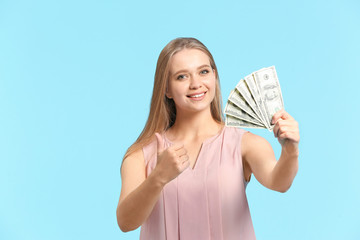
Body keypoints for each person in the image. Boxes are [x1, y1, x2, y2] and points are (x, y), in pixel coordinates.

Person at [116, 37, 300, 240]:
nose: (196, 84)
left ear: (214, 76)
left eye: (203, 72)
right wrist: (158, 178)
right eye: (181, 77)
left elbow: (279, 182)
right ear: (166, 89)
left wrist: (290, 150)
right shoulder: (141, 155)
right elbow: (125, 222)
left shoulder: (245, 144)